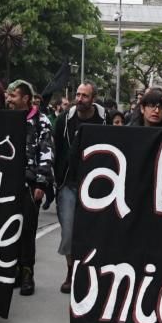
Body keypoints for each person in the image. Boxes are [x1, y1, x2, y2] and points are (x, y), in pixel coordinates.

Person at [54, 81, 107, 293]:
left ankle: (90, 273)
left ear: (93, 99)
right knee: (68, 231)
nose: (79, 99)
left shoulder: (106, 119)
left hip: (98, 186)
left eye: (85, 96)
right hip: (70, 183)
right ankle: (71, 271)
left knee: (95, 233)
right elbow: (57, 149)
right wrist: (57, 180)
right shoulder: (64, 120)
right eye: (78, 94)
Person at [5, 80, 54, 296]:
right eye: (7, 95)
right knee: (9, 228)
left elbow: (46, 151)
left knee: (27, 229)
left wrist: (41, 183)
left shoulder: (41, 121)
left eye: (13, 95)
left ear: (25, 98)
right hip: (6, 182)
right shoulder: (5, 118)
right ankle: (13, 270)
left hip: (30, 183)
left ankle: (27, 273)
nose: (8, 99)